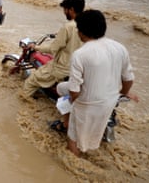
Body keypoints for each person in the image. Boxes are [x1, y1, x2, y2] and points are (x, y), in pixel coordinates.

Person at [52, 10, 138, 157]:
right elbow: (128, 79)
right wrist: (123, 92)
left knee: (73, 137)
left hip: (87, 104)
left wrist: (72, 102)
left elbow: (74, 91)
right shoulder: (119, 47)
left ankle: (74, 161)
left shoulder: (80, 54)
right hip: (110, 100)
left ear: (82, 31)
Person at [22, 0, 85, 97]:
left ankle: (22, 103)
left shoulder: (68, 27)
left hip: (62, 68)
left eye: (65, 9)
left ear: (71, 9)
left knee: (31, 81)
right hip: (79, 69)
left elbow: (52, 49)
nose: (64, 12)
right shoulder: (87, 24)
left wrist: (35, 47)